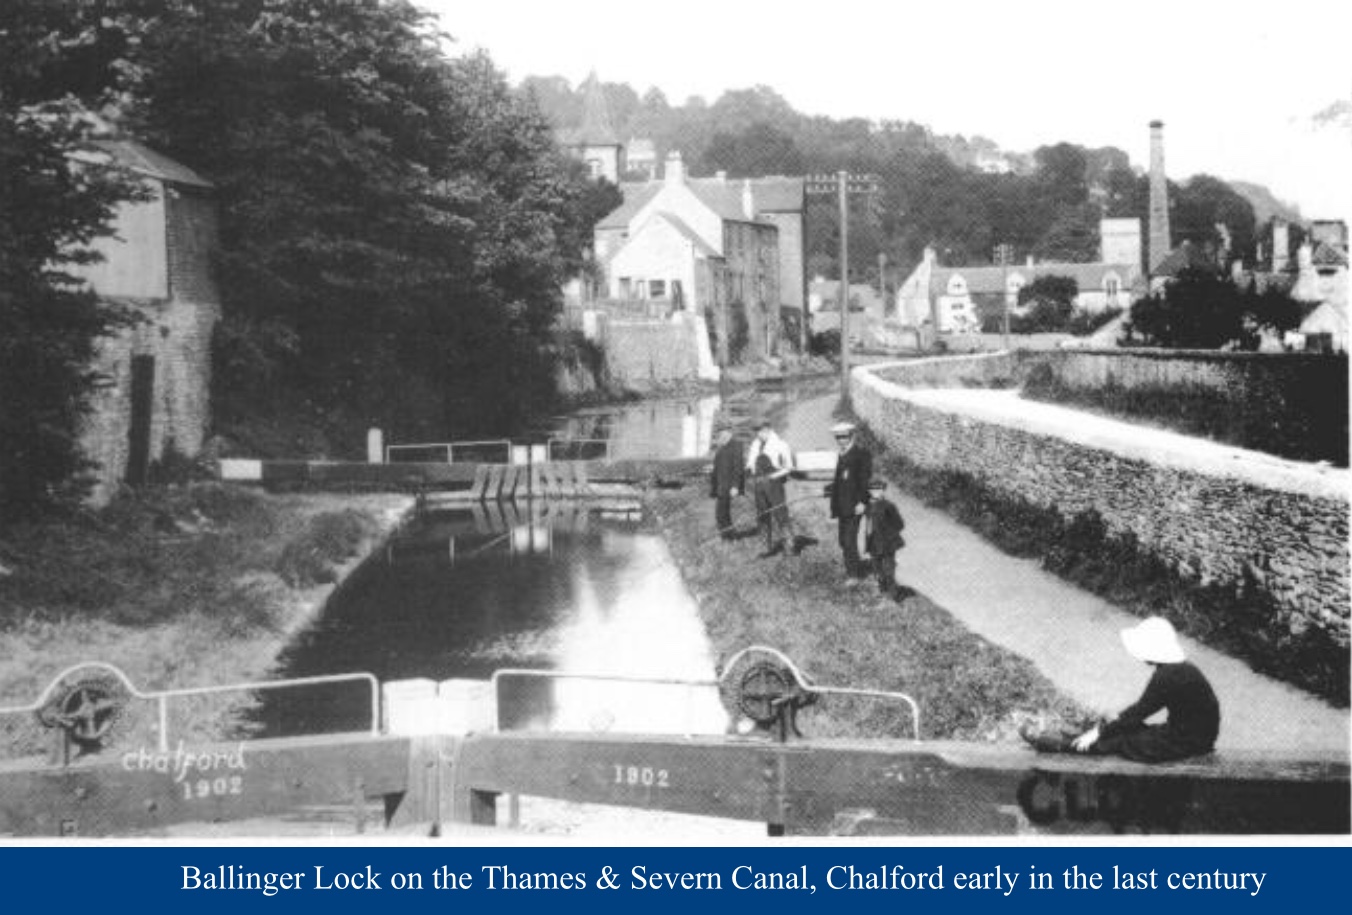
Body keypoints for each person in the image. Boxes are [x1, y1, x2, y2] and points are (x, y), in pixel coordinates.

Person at [1023, 616, 1220, 763]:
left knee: (1121, 742)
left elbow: (1138, 712)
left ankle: (1063, 746)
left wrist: (1101, 731)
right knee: (1124, 728)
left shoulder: (1167, 676)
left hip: (1188, 742)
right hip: (1195, 736)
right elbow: (1138, 711)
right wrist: (1106, 725)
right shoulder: (1184, 668)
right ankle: (1074, 738)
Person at [744, 420, 804, 557]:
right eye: (757, 431)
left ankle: (790, 548)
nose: (758, 434)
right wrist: (747, 470)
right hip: (758, 483)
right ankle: (765, 548)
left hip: (774, 484)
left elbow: (789, 467)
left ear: (768, 429)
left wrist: (773, 476)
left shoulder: (781, 444)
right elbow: (750, 463)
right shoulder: (755, 444)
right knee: (762, 516)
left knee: (780, 514)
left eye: (761, 430)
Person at [825, 422, 872, 579]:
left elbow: (865, 481)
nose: (840, 440)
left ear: (852, 436)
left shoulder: (861, 454)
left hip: (855, 505)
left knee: (849, 539)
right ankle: (851, 566)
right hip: (842, 506)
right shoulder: (842, 454)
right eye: (838, 437)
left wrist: (863, 502)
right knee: (843, 540)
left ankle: (854, 575)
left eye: (844, 436)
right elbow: (841, 480)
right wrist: (828, 490)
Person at [864, 481, 905, 596]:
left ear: (883, 491)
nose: (875, 493)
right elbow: (868, 523)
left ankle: (893, 593)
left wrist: (888, 533)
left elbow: (900, 524)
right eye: (872, 490)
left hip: (887, 543)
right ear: (869, 492)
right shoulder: (869, 506)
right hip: (873, 541)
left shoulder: (889, 506)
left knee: (888, 568)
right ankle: (881, 588)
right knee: (876, 566)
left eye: (878, 490)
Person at [709, 428, 745, 541]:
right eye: (719, 436)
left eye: (721, 435)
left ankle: (728, 537)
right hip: (721, 485)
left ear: (727, 435)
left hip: (728, 486)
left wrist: (735, 486)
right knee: (722, 513)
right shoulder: (723, 447)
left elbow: (738, 467)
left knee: (721, 513)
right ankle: (729, 536)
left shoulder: (736, 446)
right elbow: (722, 463)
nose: (719, 438)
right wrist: (713, 468)